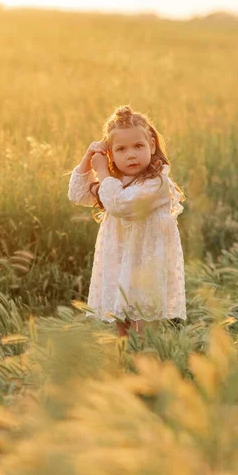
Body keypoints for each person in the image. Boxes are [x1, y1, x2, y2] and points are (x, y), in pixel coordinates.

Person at [68, 105, 186, 338]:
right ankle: (125, 364)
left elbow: (120, 205)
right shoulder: (117, 181)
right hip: (120, 260)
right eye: (121, 149)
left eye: (138, 146)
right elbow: (78, 194)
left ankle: (145, 364)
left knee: (142, 322)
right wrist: (88, 159)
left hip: (146, 262)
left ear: (152, 145)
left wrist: (103, 172)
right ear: (111, 154)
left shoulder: (157, 182)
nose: (130, 154)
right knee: (121, 320)